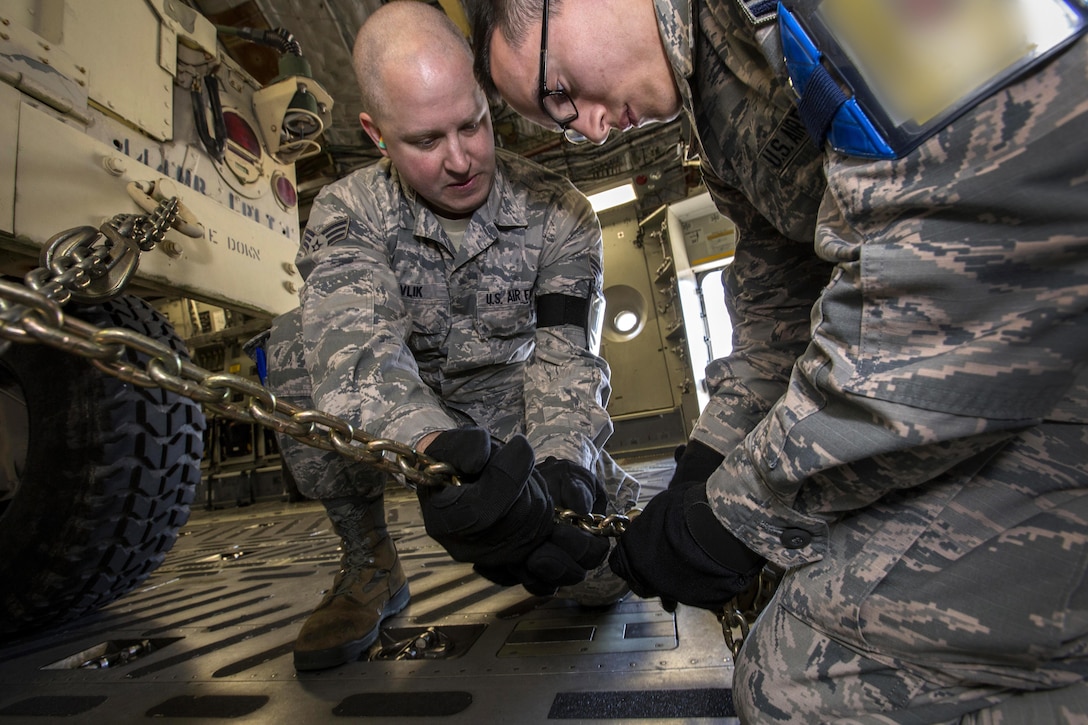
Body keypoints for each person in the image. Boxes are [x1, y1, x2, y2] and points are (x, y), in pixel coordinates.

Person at [468, 0, 1088, 721]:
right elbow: (781, 302)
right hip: (994, 360)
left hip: (1025, 341)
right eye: (560, 124)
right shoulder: (715, 94)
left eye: (559, 93)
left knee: (800, 685)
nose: (592, 128)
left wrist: (741, 508)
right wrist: (710, 456)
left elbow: (957, 261)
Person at [262, 0, 640, 673]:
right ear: (377, 135)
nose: (462, 159)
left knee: (598, 577)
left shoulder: (561, 216)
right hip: (404, 424)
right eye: (427, 141)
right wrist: (440, 455)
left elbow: (567, 362)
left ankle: (605, 502)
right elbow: (359, 357)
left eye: (473, 124)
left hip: (513, 417)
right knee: (293, 343)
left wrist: (560, 472)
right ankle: (369, 563)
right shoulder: (348, 210)